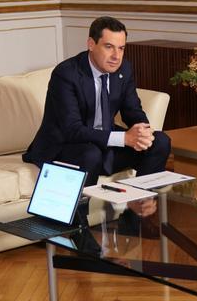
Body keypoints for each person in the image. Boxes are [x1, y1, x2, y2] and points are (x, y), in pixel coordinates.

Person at [23, 16, 170, 186]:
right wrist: (124, 139)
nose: (116, 56)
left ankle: (138, 207)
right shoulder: (66, 74)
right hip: (66, 146)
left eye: (121, 48)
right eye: (109, 47)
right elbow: (72, 130)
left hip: (104, 144)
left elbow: (132, 110)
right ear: (91, 44)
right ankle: (81, 212)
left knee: (159, 141)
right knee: (91, 153)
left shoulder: (124, 69)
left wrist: (142, 131)